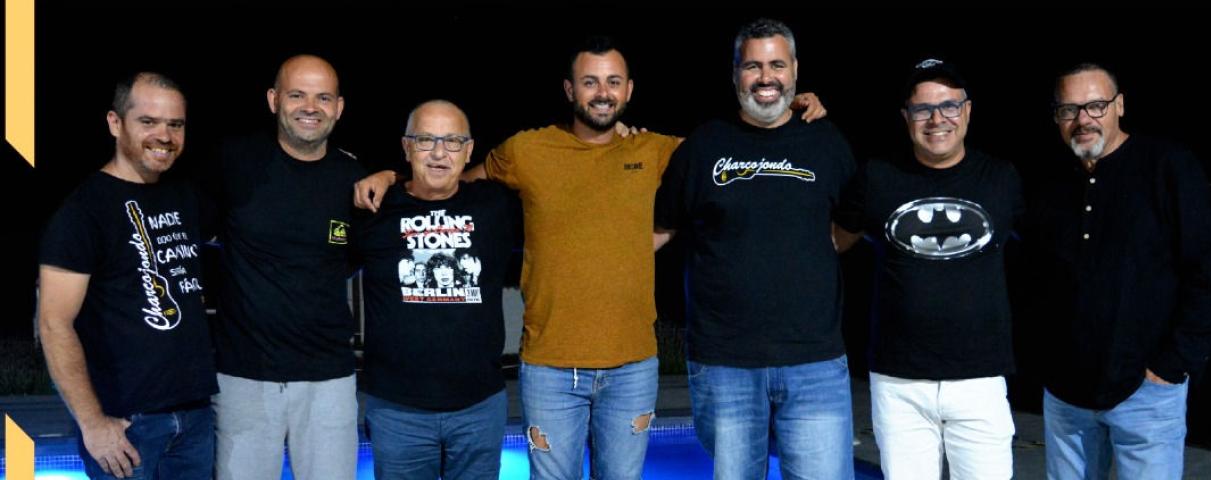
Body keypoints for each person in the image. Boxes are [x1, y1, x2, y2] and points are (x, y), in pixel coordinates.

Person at [352, 36, 826, 479]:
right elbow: (449, 184)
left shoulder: (657, 150)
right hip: (549, 368)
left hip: (632, 368)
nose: (602, 93)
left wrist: (786, 114)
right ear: (569, 89)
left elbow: (728, 158)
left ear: (629, 90)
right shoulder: (526, 149)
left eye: (613, 81)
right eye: (590, 81)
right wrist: (391, 177)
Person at [653, 18, 855, 479]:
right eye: (753, 66)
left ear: (796, 70)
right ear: (735, 73)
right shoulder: (704, 146)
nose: (766, 78)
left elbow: (851, 224)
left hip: (816, 363)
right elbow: (660, 229)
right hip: (725, 364)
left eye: (777, 65)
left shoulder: (827, 142)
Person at [1026, 63, 1211, 479]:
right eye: (1069, 110)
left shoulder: (1168, 166)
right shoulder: (1047, 182)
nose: (1083, 119)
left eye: (1096, 105)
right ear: (1056, 118)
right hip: (1067, 399)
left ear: (1119, 106)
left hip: (1146, 396)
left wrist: (1172, 365)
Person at [834, 59, 1021, 479]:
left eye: (949, 106)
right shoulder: (878, 176)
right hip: (899, 383)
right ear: (906, 118)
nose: (937, 119)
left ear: (967, 111)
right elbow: (833, 241)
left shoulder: (1001, 179)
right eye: (923, 109)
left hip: (980, 379)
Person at [39, 72, 217, 479]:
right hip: (125, 426)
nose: (165, 135)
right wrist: (92, 424)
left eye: (176, 124)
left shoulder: (184, 195)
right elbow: (53, 323)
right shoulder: (82, 212)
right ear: (115, 123)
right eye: (148, 122)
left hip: (194, 418)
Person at [202, 54, 366, 480]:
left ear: (339, 107)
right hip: (243, 378)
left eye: (322, 97)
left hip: (329, 379)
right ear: (274, 100)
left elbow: (350, 262)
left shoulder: (354, 178)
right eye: (297, 95)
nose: (310, 107)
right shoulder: (233, 163)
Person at [353, 100, 520, 479]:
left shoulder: (496, 206)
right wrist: (389, 177)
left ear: (469, 151)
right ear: (407, 146)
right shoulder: (374, 210)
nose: (440, 153)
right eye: (426, 140)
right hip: (397, 412)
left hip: (479, 408)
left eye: (453, 141)